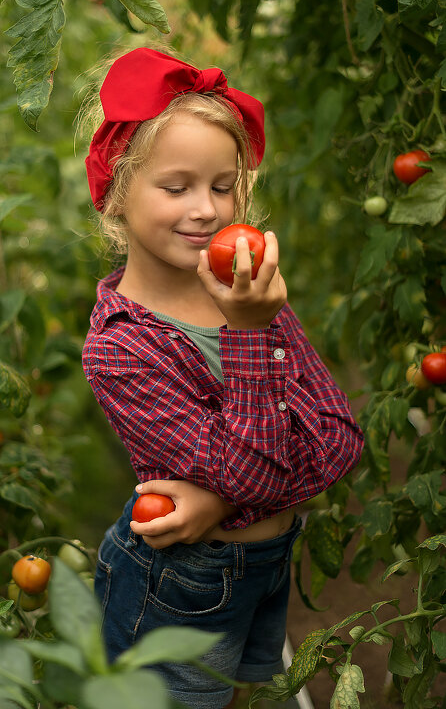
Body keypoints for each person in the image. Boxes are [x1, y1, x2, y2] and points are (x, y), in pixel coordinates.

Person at [80, 45, 364, 709]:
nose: (206, 210)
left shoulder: (244, 291)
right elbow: (257, 471)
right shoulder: (120, 347)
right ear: (115, 194)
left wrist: (224, 503)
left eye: (222, 185)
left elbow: (340, 435)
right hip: (179, 585)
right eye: (175, 187)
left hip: (264, 567)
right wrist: (249, 332)